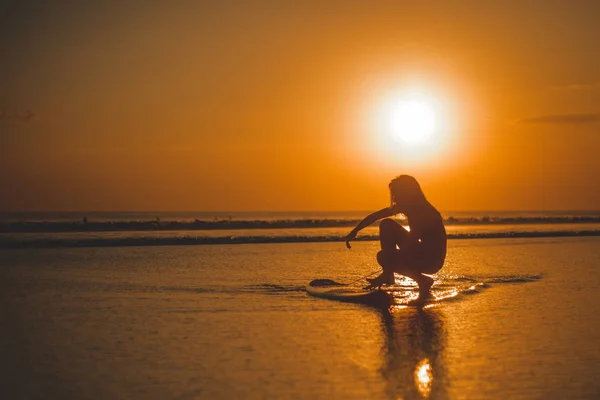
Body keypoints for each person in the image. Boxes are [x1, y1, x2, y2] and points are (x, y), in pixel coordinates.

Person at [345, 175, 446, 299]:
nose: (394, 197)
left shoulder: (423, 211)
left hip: (431, 260)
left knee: (384, 254)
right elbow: (376, 216)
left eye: (397, 193)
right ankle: (405, 277)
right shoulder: (410, 206)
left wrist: (389, 261)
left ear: (407, 193)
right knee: (386, 227)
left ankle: (415, 279)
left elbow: (413, 240)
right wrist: (355, 230)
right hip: (425, 255)